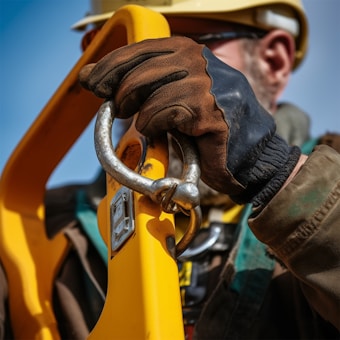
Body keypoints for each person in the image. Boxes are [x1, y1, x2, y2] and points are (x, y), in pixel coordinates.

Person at [1, 0, 339, 339]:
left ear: (273, 62)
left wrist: (272, 171)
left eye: (188, 46)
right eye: (126, 54)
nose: (148, 76)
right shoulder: (37, 226)